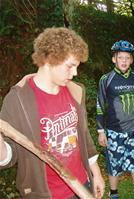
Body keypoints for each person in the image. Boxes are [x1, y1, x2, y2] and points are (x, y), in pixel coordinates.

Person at [0, 27, 105, 199]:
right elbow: (9, 156)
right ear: (49, 59)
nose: (75, 73)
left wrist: (96, 173)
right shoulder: (18, 100)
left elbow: (83, 136)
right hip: (47, 194)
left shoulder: (75, 91)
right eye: (70, 66)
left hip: (82, 184)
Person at [96, 40, 134, 199]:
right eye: (120, 57)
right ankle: (114, 192)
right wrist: (101, 131)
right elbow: (100, 104)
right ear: (114, 59)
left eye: (127, 57)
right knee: (114, 164)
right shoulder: (106, 79)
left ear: (131, 60)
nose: (124, 61)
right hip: (114, 130)